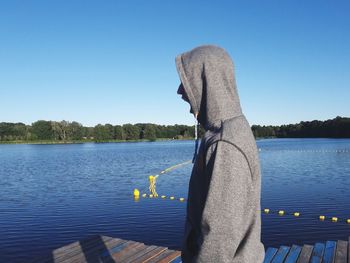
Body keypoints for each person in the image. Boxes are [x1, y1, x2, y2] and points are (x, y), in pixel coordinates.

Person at [176, 45, 265, 263]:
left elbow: (219, 239)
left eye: (187, 80)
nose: (180, 90)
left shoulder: (225, 143)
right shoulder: (230, 130)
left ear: (207, 80)